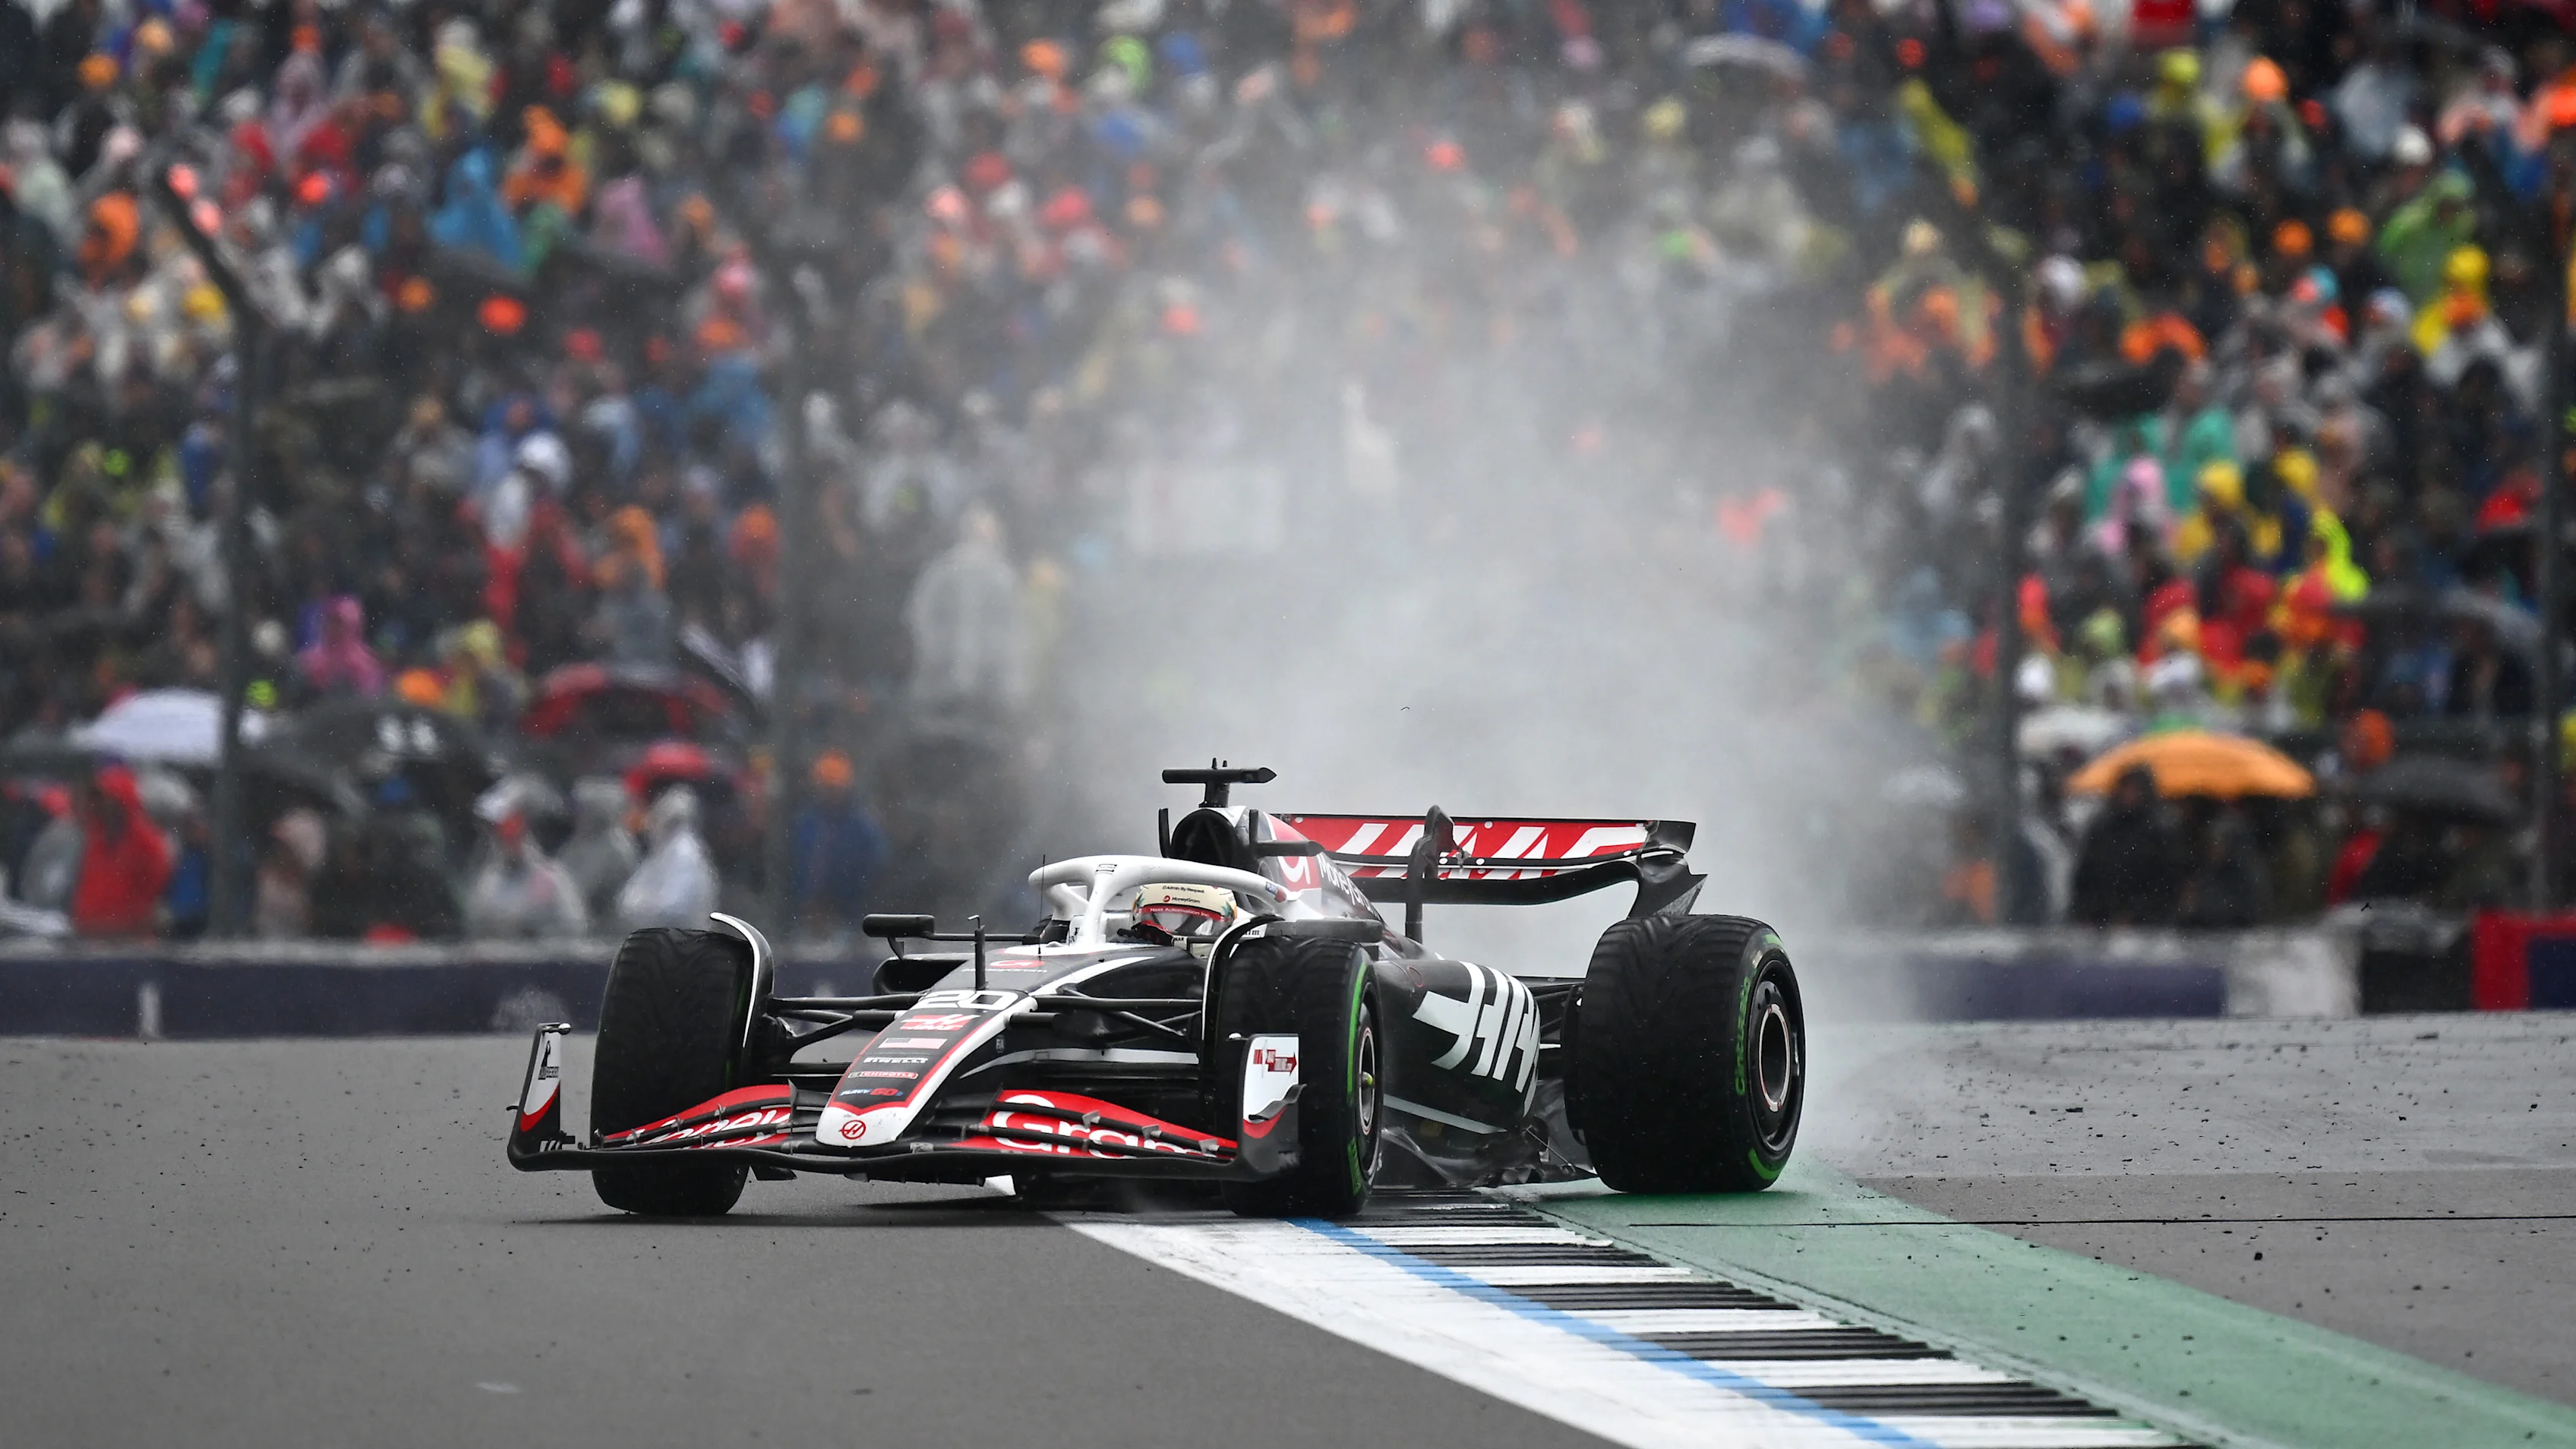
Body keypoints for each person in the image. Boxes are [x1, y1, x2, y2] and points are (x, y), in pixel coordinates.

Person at [2069, 766, 2183, 927]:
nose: (2129, 795)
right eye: (2126, 789)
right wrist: (2087, 910)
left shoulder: (2158, 831)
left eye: (2135, 790)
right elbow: (2087, 872)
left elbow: (2164, 881)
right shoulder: (2103, 827)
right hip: (2100, 919)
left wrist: (2136, 912)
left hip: (2143, 923)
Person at [68, 763, 171, 938]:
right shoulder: (94, 837)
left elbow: (153, 894)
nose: (101, 805)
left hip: (129, 942)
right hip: (89, 938)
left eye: (106, 798)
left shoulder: (148, 844)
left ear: (123, 801)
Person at [789, 750, 886, 935]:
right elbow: (796, 866)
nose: (830, 794)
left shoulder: (861, 827)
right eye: (826, 787)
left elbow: (875, 866)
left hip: (850, 914)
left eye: (835, 788)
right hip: (806, 915)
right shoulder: (806, 823)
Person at [463, 810, 589, 939]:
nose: (511, 846)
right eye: (505, 840)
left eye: (515, 839)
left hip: (544, 949)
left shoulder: (550, 877)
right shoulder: (489, 882)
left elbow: (575, 924)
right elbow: (475, 921)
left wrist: (536, 927)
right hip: (501, 948)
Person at [616, 786, 718, 932]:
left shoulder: (686, 854)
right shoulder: (662, 851)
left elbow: (673, 906)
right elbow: (627, 900)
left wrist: (645, 905)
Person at [554, 778, 639, 925]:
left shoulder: (615, 848)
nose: (576, 816)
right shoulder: (579, 842)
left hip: (603, 925)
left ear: (597, 813)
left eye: (582, 811)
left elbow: (583, 890)